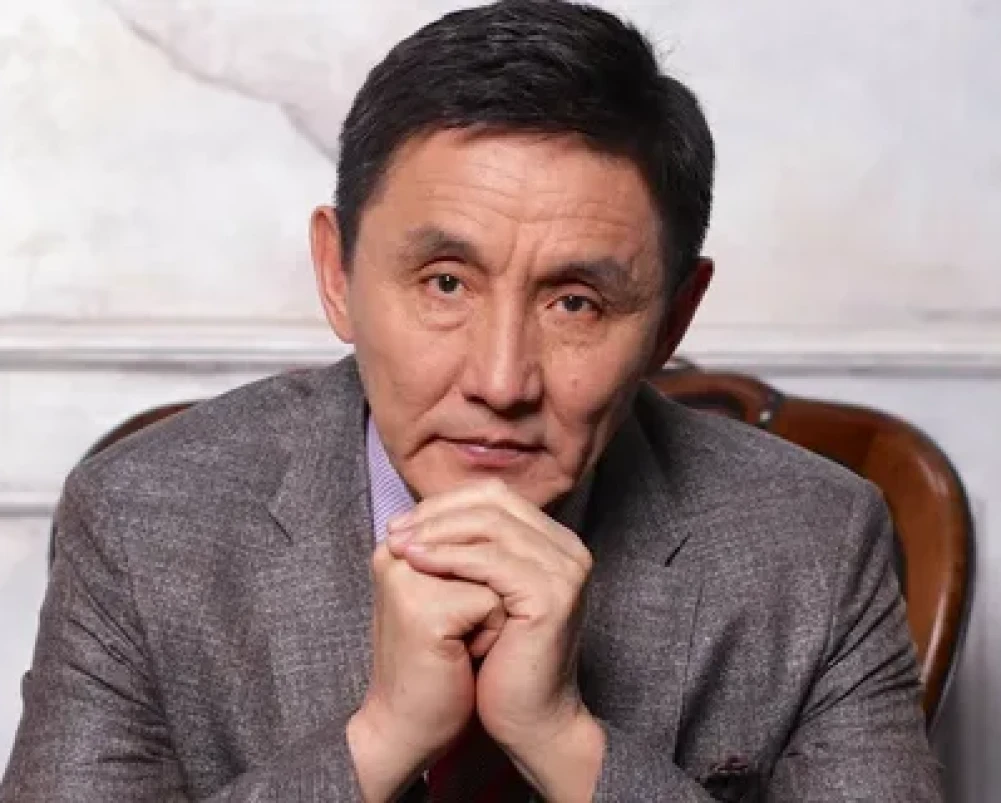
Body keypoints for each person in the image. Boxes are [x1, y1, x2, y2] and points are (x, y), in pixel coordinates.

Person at [1, 1, 941, 800]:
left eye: (576, 302)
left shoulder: (813, 543)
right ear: (337, 273)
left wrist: (566, 741)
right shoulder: (143, 520)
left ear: (671, 320)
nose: (500, 381)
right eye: (445, 283)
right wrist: (379, 740)